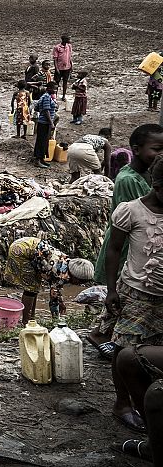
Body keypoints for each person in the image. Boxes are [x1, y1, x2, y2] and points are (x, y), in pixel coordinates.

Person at [91, 124, 163, 355]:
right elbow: (128, 234)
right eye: (157, 148)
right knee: (121, 313)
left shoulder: (149, 174)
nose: (160, 154)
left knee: (126, 320)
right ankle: (117, 352)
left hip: (143, 265)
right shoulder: (128, 182)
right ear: (136, 149)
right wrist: (114, 285)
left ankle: (119, 350)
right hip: (128, 258)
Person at [3, 237, 94, 325]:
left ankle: (31, 319)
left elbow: (56, 290)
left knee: (34, 288)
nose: (79, 284)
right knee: (30, 289)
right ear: (75, 277)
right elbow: (53, 299)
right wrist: (56, 321)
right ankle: (26, 322)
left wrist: (61, 302)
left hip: (28, 243)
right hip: (21, 252)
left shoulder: (66, 262)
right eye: (81, 282)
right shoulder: (59, 274)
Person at [32, 82, 59, 168]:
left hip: (43, 122)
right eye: (54, 88)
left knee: (44, 142)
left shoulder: (45, 96)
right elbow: (47, 110)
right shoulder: (47, 97)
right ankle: (37, 160)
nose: (55, 90)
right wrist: (51, 123)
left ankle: (41, 159)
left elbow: (37, 107)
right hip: (44, 123)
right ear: (49, 88)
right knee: (41, 142)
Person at [52, 34, 73, 99]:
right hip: (59, 67)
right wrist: (57, 68)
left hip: (67, 67)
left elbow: (69, 57)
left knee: (65, 82)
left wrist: (71, 66)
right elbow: (55, 59)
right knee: (56, 82)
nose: (69, 40)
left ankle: (64, 95)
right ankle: (55, 96)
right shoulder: (57, 47)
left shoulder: (69, 46)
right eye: (68, 39)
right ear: (64, 40)